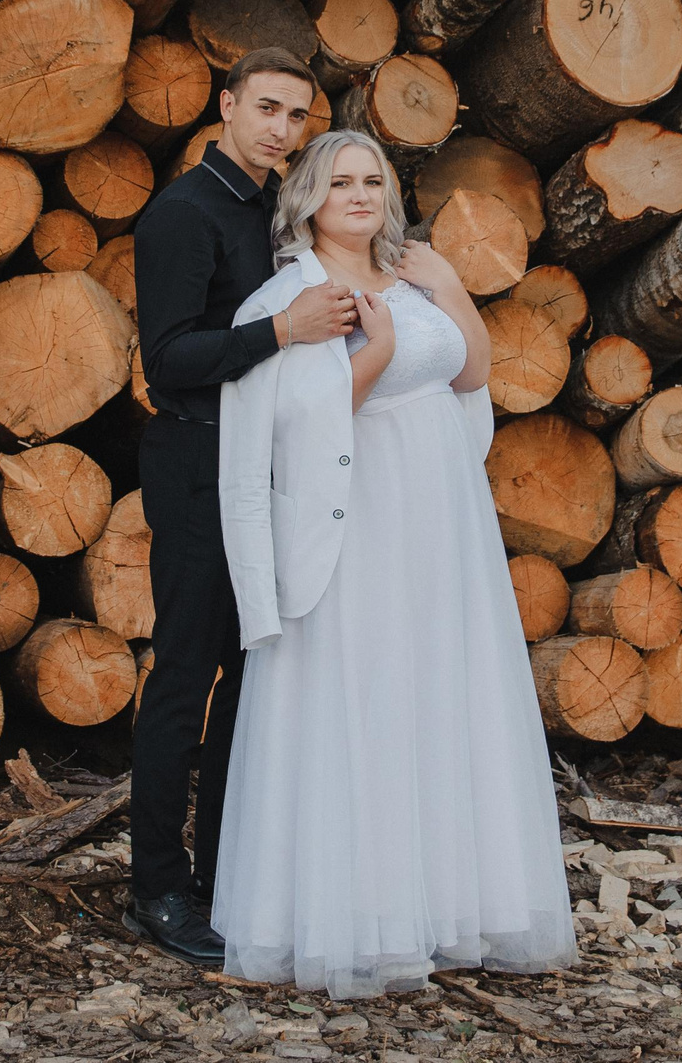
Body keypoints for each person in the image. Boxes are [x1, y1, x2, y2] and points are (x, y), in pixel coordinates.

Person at [211, 129, 578, 999]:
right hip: (361, 512)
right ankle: (364, 913)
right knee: (363, 687)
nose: (360, 194)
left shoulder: (413, 275)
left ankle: (450, 901)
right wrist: (371, 357)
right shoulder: (291, 295)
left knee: (438, 687)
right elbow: (286, 433)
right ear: (307, 197)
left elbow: (471, 373)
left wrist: (449, 286)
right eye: (340, 182)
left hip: (440, 513)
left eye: (372, 179)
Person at [127, 49, 358, 965]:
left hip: (269, 468)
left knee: (252, 677)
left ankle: (228, 872)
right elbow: (168, 360)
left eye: (295, 116)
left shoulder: (277, 211)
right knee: (185, 678)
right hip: (195, 464)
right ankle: (157, 890)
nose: (279, 129)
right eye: (265, 108)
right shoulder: (183, 214)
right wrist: (281, 332)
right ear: (225, 105)